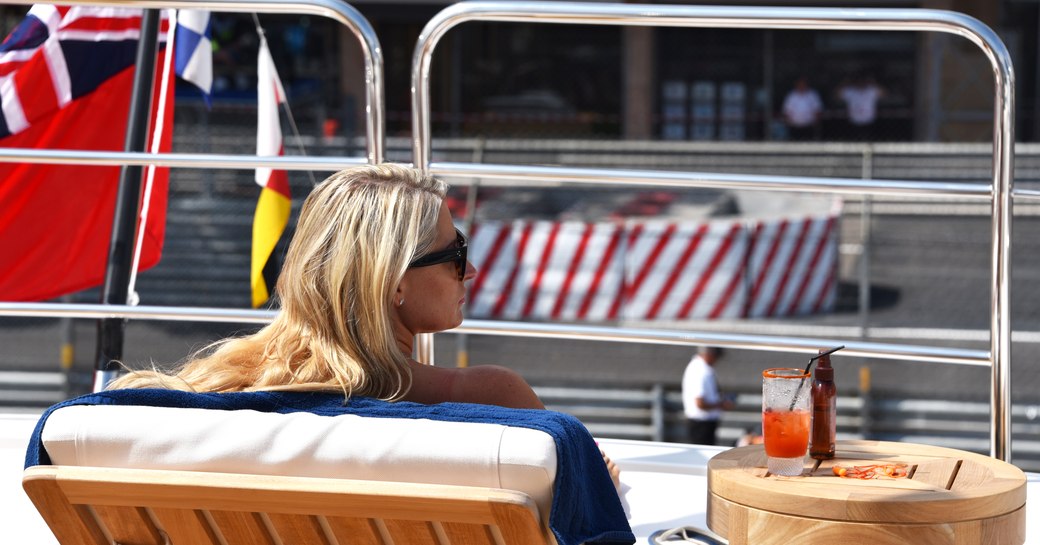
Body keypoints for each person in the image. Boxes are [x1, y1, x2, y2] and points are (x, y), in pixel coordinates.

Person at [107, 163, 621, 484]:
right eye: (455, 251)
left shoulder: (195, 408)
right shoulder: (491, 399)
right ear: (395, 283)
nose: (472, 269)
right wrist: (603, 481)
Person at [681, 346, 734, 445]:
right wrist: (721, 405)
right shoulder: (701, 370)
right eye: (716, 357)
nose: (716, 360)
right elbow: (700, 403)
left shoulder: (699, 368)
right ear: (709, 354)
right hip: (701, 425)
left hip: (702, 424)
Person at [836, 72, 886, 141]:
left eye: (863, 81)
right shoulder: (850, 91)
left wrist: (873, 82)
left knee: (870, 141)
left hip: (869, 121)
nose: (861, 83)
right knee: (854, 141)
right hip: (854, 121)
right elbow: (837, 95)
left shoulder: (871, 90)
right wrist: (845, 82)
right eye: (859, 81)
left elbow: (884, 94)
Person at [780, 76, 823, 141]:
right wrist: (787, 123)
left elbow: (817, 110)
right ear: (797, 85)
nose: (802, 86)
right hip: (794, 127)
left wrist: (816, 123)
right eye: (800, 84)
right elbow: (786, 111)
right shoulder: (791, 96)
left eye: (803, 84)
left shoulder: (813, 95)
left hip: (809, 126)